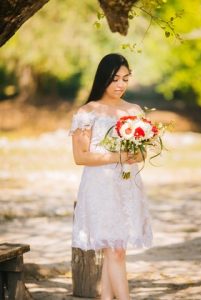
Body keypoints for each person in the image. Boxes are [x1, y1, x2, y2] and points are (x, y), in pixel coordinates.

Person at [69, 53, 153, 300]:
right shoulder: (87, 112)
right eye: (115, 78)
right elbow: (80, 157)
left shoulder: (134, 111)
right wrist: (118, 155)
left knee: (115, 251)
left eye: (125, 79)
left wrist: (132, 153)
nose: (120, 84)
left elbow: (141, 154)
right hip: (100, 187)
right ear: (103, 78)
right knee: (115, 251)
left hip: (127, 186)